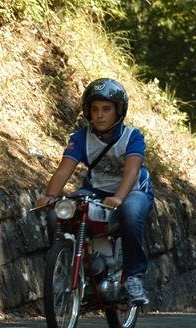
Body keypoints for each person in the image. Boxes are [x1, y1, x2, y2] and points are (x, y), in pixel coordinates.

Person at [36, 77, 154, 305]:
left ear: (119, 111)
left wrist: (118, 197)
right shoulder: (80, 138)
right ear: (87, 111)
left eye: (106, 109)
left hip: (133, 191)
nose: (99, 115)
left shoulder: (133, 137)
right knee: (57, 212)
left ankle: (133, 277)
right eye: (95, 109)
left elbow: (131, 171)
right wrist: (50, 197)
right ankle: (70, 265)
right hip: (95, 190)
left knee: (130, 213)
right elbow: (63, 170)